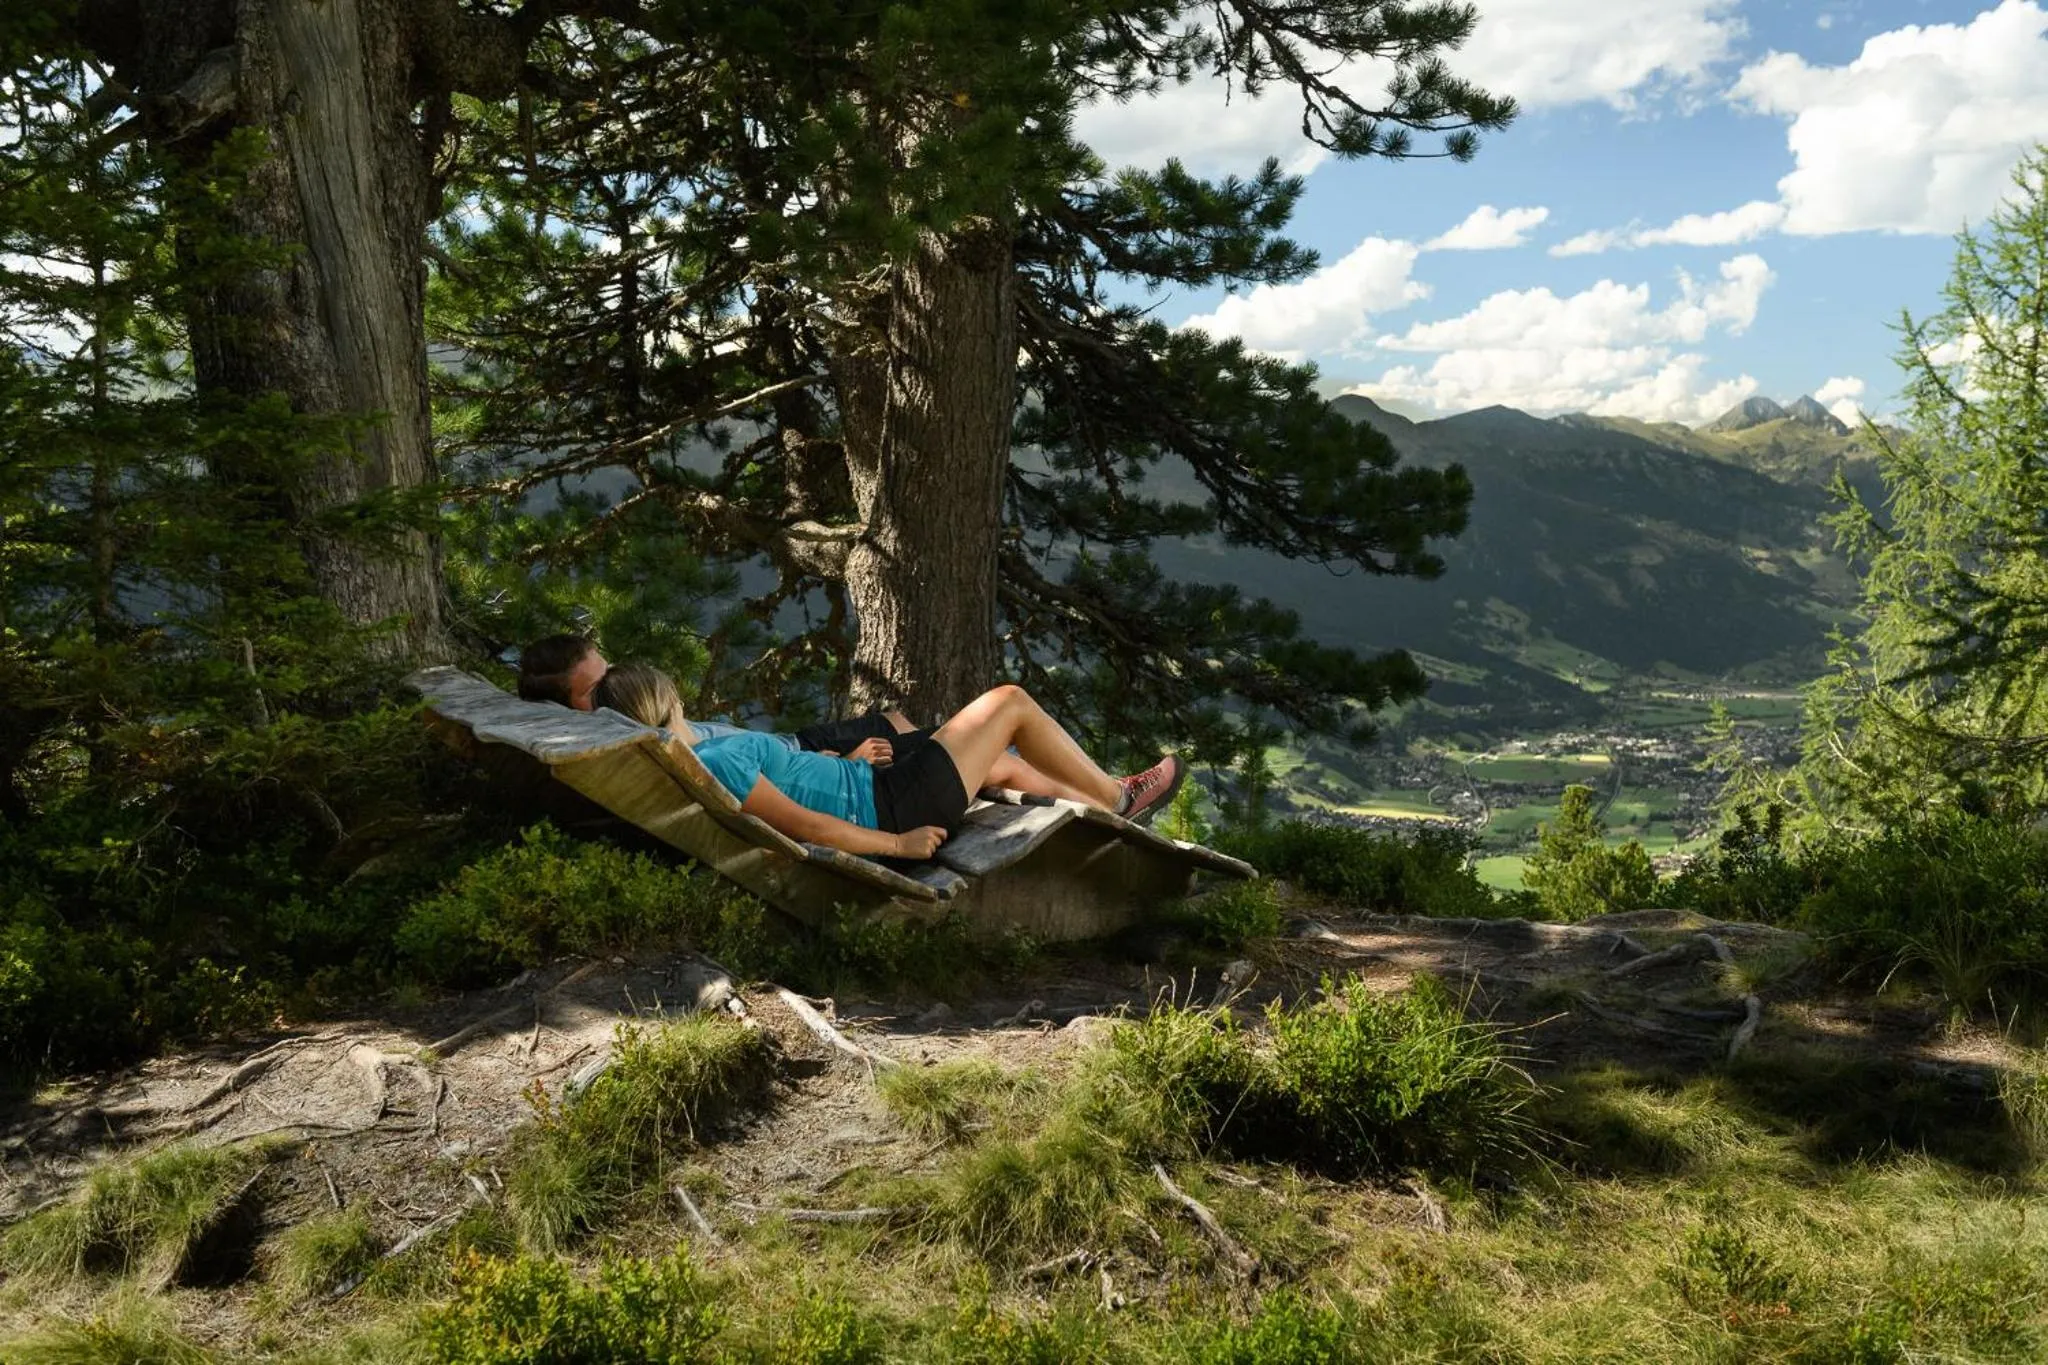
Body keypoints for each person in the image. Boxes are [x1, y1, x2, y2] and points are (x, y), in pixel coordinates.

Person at [592, 664, 1185, 860]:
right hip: (892, 806)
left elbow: (791, 792)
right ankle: (1116, 798)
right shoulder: (716, 762)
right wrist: (897, 848)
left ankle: (1107, 816)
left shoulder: (702, 757)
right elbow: (804, 828)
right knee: (1009, 703)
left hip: (876, 786)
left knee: (998, 761)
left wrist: (824, 762)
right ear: (668, 700)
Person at [516, 633, 903, 764]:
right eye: (591, 690)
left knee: (900, 722)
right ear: (566, 709)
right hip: (803, 758)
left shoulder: (638, 726)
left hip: (790, 747)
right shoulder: (653, 746)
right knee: (913, 736)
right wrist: (844, 766)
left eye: (608, 669)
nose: (612, 683)